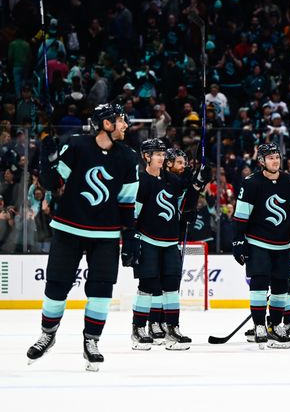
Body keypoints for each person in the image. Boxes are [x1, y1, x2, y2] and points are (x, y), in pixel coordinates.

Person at [27, 104, 139, 371]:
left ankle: (92, 341)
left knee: (101, 291)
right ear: (106, 124)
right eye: (121, 120)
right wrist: (46, 156)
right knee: (56, 286)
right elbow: (53, 183)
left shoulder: (128, 157)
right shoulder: (78, 146)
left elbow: (126, 203)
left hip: (106, 235)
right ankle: (48, 334)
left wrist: (130, 238)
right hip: (69, 229)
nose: (125, 125)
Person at [232, 143, 290, 349]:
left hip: (283, 245)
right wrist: (238, 242)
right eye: (270, 157)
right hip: (258, 242)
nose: (275, 160)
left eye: (277, 157)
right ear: (261, 161)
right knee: (259, 284)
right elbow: (241, 217)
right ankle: (259, 326)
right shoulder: (251, 183)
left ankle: (275, 325)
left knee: (282, 287)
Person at [130, 139, 208, 351]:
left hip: (170, 242)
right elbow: (133, 214)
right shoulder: (141, 181)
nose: (162, 157)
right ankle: (138, 330)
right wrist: (132, 239)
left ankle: (172, 329)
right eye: (157, 154)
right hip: (148, 240)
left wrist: (199, 181)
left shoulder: (172, 180)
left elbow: (187, 202)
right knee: (147, 287)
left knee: (172, 287)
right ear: (147, 157)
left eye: (163, 154)